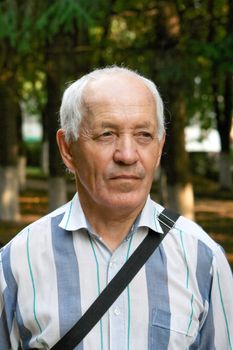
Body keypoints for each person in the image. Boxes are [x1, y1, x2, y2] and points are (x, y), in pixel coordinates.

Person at [0, 66, 232, 350]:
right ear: (67, 149)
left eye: (144, 135)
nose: (127, 154)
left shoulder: (203, 260)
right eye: (107, 134)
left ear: (159, 148)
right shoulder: (15, 263)